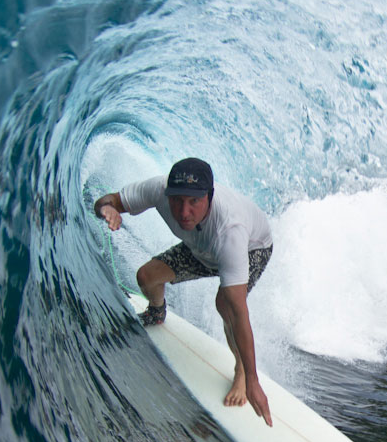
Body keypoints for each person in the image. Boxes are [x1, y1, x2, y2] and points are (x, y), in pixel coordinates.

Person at [94, 158, 274, 427]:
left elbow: (239, 313)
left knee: (225, 305)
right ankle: (157, 312)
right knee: (146, 277)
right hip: (201, 250)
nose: (183, 212)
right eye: (177, 200)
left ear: (209, 196)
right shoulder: (158, 189)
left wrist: (253, 379)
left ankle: (239, 372)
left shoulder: (230, 230)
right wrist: (106, 209)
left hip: (251, 249)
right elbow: (107, 201)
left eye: (194, 202)